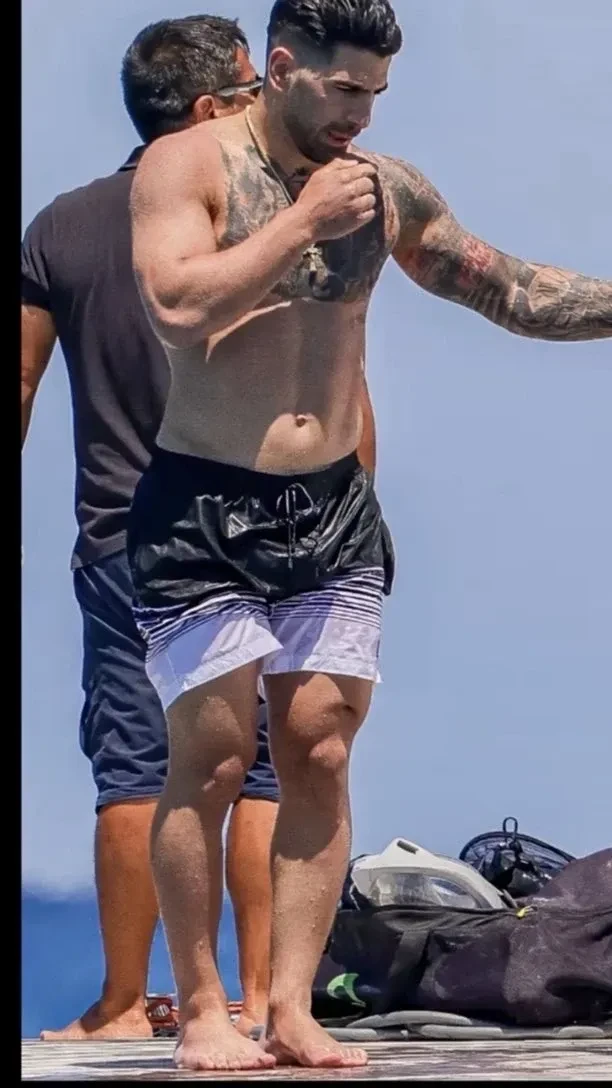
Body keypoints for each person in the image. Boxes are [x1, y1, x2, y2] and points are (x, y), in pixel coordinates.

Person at [128, 0, 611, 1071]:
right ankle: (203, 1009)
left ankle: (291, 1006)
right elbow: (174, 304)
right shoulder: (187, 165)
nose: (361, 114)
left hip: (334, 504)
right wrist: (302, 224)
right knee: (211, 759)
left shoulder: (384, 188)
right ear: (282, 66)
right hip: (205, 503)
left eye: (377, 95)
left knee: (321, 747)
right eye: (344, 89)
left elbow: (509, 288)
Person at [21, 12, 378, 1043]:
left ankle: (125, 1000)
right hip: (254, 516)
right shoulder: (274, 199)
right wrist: (354, 494)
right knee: (268, 765)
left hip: (120, 530)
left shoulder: (64, 225)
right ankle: (264, 994)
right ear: (215, 102)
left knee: (147, 762)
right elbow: (341, 381)